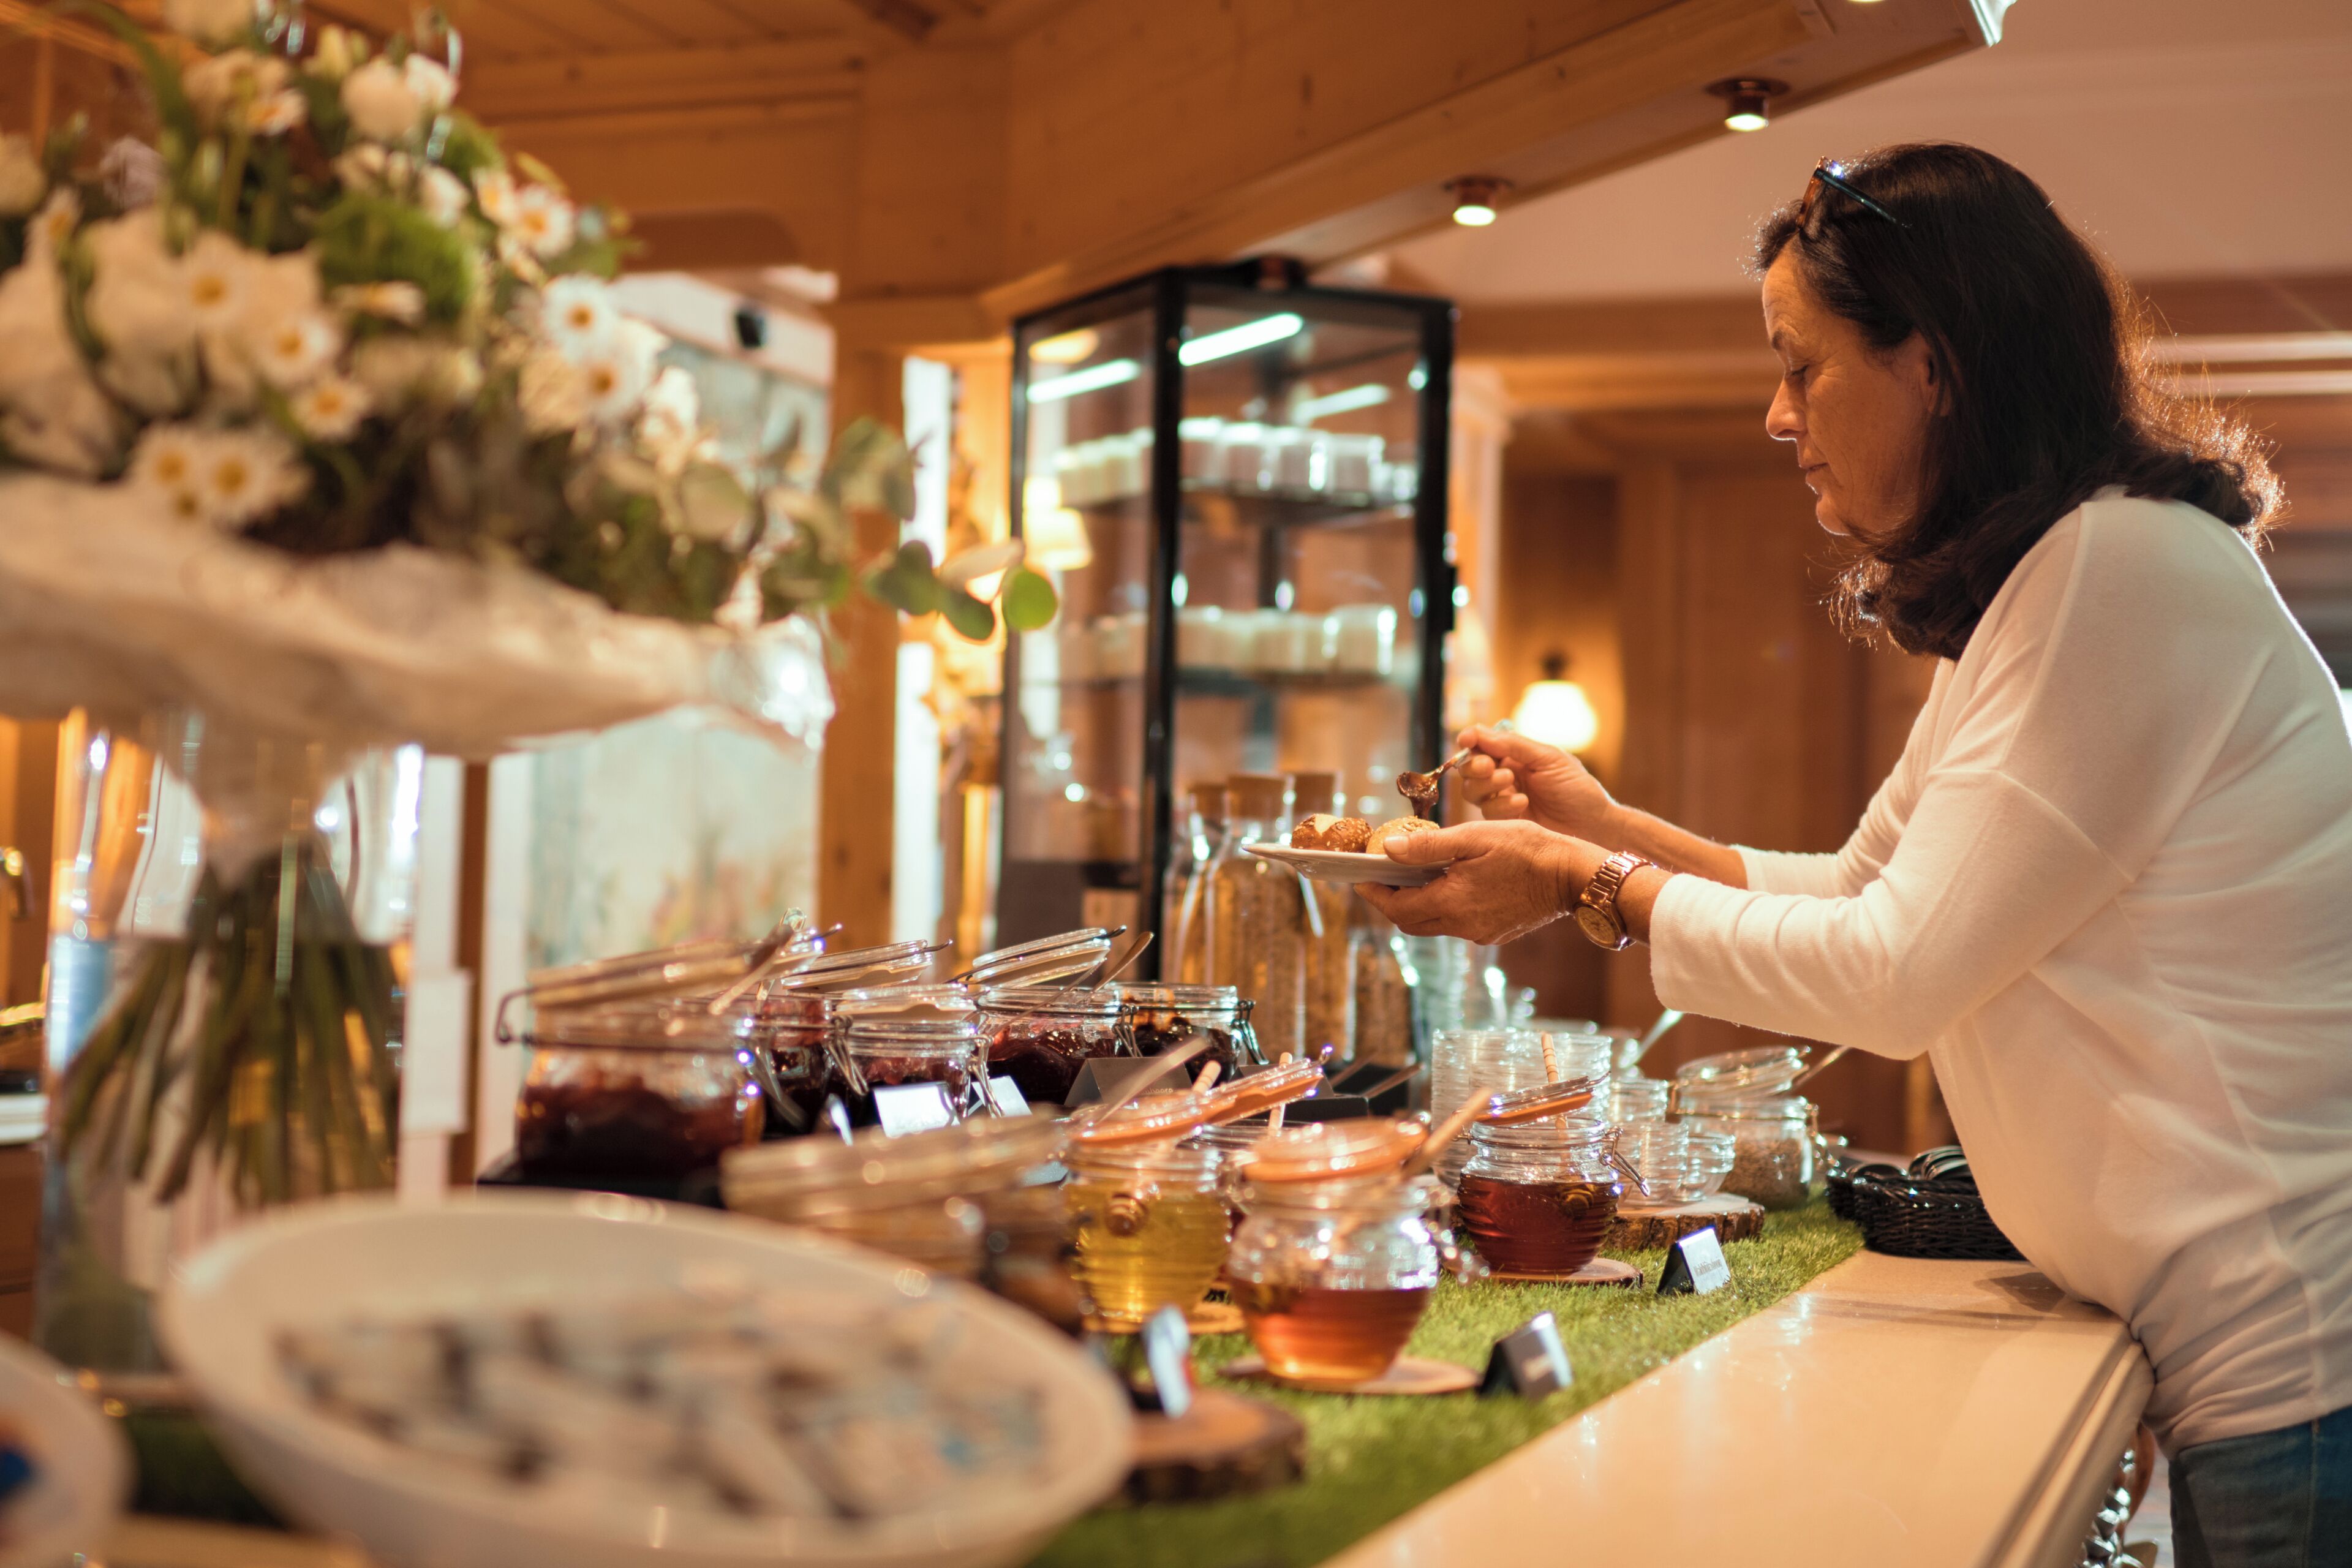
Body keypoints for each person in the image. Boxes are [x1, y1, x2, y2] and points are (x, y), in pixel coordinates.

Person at [1357, 143, 2352, 1565]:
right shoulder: (2053, 580)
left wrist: (1578, 888)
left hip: (2299, 1361)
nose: (1777, 415)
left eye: (1803, 366)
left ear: (1933, 364)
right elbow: (1866, 888)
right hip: (2260, 1353)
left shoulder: (2112, 570)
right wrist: (1605, 828)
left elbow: (1894, 975)